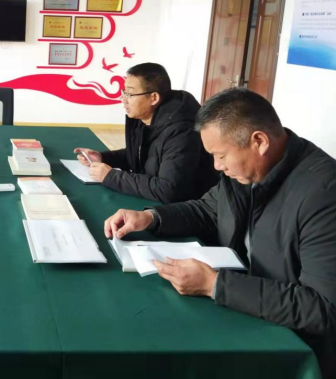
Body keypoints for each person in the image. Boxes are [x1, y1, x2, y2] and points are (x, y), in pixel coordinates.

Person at [103, 88, 336, 378]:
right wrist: (150, 217)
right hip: (246, 307)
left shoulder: (323, 194)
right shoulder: (246, 171)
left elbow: (323, 308)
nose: (217, 166)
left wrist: (214, 284)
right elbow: (207, 209)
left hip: (290, 346)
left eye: (221, 155)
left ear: (259, 142)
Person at [74, 63, 218, 203]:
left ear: (153, 98)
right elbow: (141, 154)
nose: (123, 99)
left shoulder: (182, 131)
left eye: (130, 94)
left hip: (189, 208)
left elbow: (169, 189)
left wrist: (111, 177)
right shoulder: (144, 118)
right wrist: (103, 157)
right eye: (124, 92)